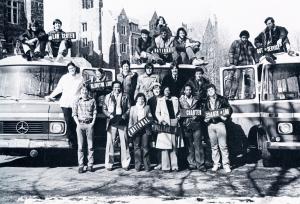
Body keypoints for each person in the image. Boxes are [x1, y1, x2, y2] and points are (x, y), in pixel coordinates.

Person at [45, 61, 83, 147]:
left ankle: (77, 141)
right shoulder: (64, 78)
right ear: (68, 70)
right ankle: (71, 141)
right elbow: (59, 89)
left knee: (75, 122)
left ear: (75, 68)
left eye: (72, 68)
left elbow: (83, 90)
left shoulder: (80, 78)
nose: (71, 70)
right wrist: (50, 96)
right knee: (68, 121)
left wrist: (82, 98)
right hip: (65, 103)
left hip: (76, 103)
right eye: (69, 69)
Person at [203, 84, 232, 173]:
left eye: (212, 89)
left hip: (220, 124)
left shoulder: (222, 99)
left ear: (215, 90)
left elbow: (229, 109)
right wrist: (205, 118)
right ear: (207, 93)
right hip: (211, 125)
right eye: (209, 90)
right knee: (213, 146)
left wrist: (225, 116)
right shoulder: (205, 101)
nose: (210, 91)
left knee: (223, 145)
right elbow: (203, 112)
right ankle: (216, 164)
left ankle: (226, 164)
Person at [102, 81, 131, 171]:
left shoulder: (125, 96)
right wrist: (109, 115)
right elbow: (104, 108)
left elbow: (129, 108)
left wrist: (124, 115)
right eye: (115, 87)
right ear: (112, 88)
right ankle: (109, 164)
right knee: (110, 143)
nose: (117, 89)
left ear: (120, 88)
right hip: (111, 122)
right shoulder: (108, 97)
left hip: (122, 122)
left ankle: (125, 163)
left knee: (124, 143)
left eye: (118, 87)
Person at [155, 86, 184, 172]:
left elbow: (179, 111)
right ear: (163, 91)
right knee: (165, 146)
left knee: (174, 145)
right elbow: (157, 112)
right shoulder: (160, 100)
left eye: (168, 90)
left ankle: (175, 166)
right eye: (165, 90)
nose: (167, 92)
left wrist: (178, 118)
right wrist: (161, 120)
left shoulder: (175, 99)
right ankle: (166, 167)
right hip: (165, 124)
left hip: (174, 123)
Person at [179, 84, 206, 172]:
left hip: (196, 124)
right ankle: (192, 163)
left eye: (190, 90)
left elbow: (202, 111)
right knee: (189, 145)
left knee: (198, 145)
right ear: (184, 91)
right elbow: (179, 112)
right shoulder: (180, 100)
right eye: (187, 90)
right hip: (186, 124)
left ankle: (200, 164)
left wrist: (197, 116)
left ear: (191, 91)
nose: (188, 91)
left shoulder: (196, 100)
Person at [225, 30, 258, 99]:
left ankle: (247, 95)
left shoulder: (249, 44)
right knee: (235, 79)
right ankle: (230, 95)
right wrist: (232, 63)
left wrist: (257, 62)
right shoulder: (236, 43)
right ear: (241, 37)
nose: (244, 39)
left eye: (246, 38)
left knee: (248, 80)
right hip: (237, 65)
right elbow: (231, 53)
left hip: (248, 65)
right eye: (243, 37)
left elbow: (254, 53)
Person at [72, 85, 97, 173]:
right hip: (80, 124)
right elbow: (74, 113)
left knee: (90, 146)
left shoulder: (92, 100)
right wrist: (78, 124)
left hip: (89, 125)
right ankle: (81, 165)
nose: (84, 92)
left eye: (86, 90)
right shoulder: (77, 101)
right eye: (82, 91)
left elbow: (94, 112)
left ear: (88, 91)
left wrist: (92, 123)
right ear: (80, 92)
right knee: (81, 146)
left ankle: (90, 165)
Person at [128, 93, 152, 172]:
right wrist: (130, 130)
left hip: (145, 129)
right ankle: (137, 166)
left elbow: (150, 118)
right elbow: (130, 120)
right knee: (136, 148)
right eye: (139, 99)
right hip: (136, 130)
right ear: (136, 100)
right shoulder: (133, 108)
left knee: (145, 147)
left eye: (142, 99)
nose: (141, 100)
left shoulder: (147, 107)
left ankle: (147, 166)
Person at [147, 82, 162, 170]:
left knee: (163, 143)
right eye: (155, 89)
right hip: (154, 124)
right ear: (152, 90)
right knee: (155, 143)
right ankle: (157, 162)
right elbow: (149, 113)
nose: (157, 90)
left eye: (158, 89)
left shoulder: (163, 98)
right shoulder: (150, 100)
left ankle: (163, 162)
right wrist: (153, 121)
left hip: (163, 123)